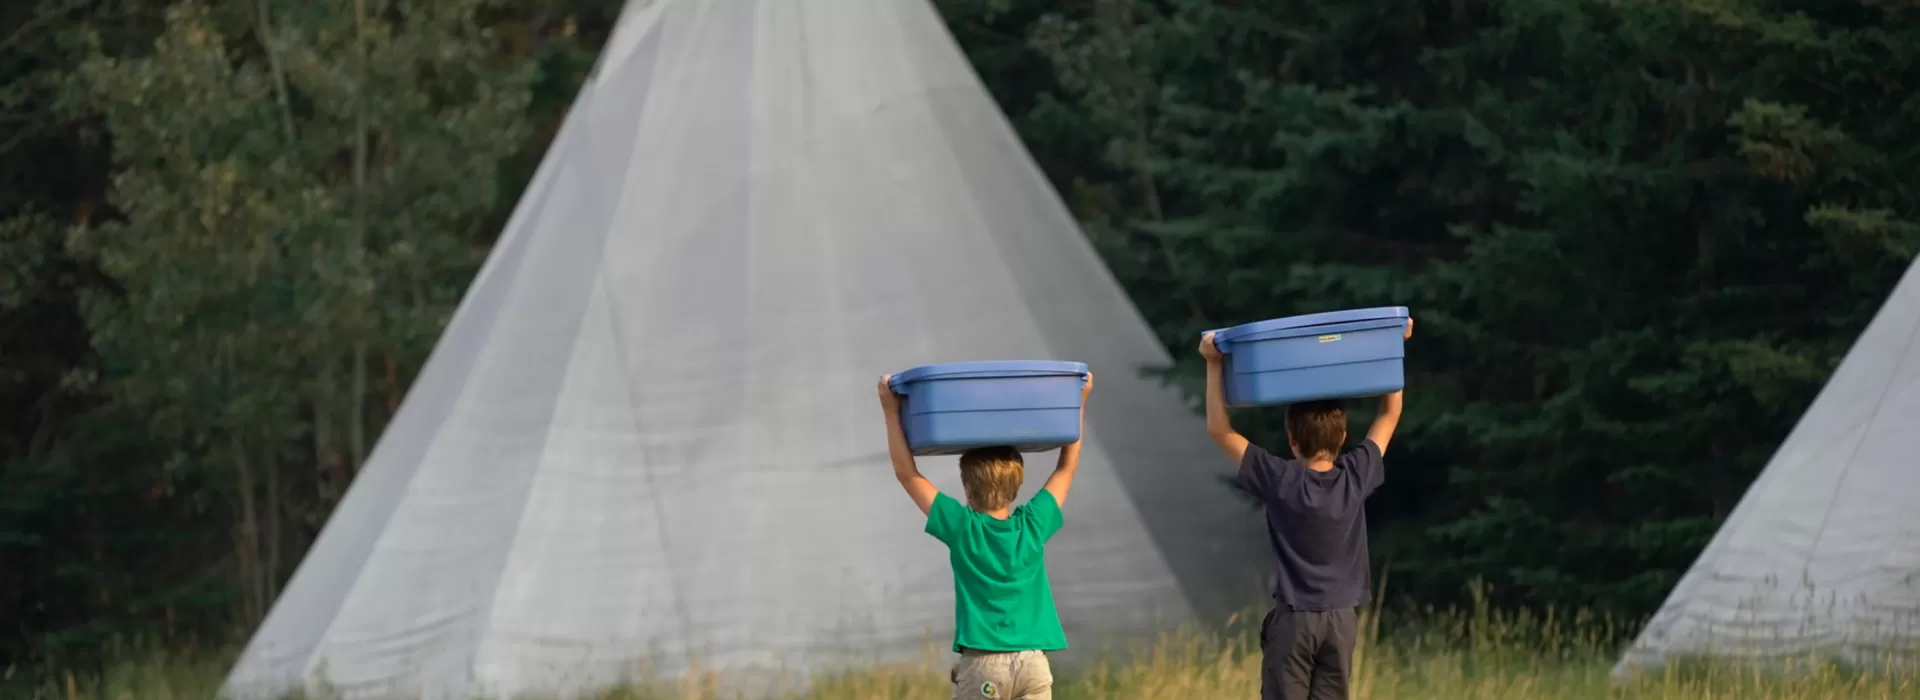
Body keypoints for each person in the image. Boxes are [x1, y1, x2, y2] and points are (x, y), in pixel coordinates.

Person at [1198, 318, 1411, 700]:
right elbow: (1389, 414)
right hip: (1343, 620)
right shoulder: (1356, 475)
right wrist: (1393, 346)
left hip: (1295, 620)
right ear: (1343, 438)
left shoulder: (1280, 479)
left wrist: (1213, 364)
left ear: (1292, 440)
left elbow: (1219, 429)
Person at [876, 371, 1093, 700]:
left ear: (966, 486)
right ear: (1017, 487)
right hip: (1034, 664)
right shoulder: (1033, 524)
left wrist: (890, 411)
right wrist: (1078, 402)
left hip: (984, 667)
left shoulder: (962, 528)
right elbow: (1066, 468)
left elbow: (907, 474)